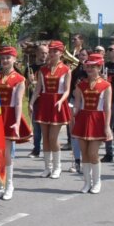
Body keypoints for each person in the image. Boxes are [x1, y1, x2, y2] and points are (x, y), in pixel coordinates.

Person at [70, 53, 112, 193]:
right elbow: (77, 104)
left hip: (98, 119)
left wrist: (107, 127)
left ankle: (97, 182)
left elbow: (107, 108)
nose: (89, 69)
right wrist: (71, 112)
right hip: (83, 118)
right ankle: (87, 183)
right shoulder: (80, 85)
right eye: (88, 66)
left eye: (93, 67)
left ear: (99, 67)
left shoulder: (106, 85)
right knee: (84, 153)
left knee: (93, 153)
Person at [31, 40, 72, 178]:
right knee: (46, 138)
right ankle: (47, 167)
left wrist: (61, 100)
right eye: (51, 51)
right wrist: (31, 103)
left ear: (61, 53)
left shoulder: (66, 69)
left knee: (53, 137)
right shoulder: (43, 69)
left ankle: (57, 167)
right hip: (44, 103)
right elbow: (38, 89)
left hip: (57, 104)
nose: (52, 54)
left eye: (55, 51)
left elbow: (67, 90)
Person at [0, 46, 31, 200]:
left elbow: (18, 103)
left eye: (8, 57)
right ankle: (0, 185)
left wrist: (16, 122)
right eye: (3, 58)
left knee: (6, 152)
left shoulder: (19, 79)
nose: (5, 60)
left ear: (15, 59)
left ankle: (9, 185)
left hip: (9, 115)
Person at [67, 48, 89, 174]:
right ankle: (76, 161)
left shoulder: (95, 72)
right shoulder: (75, 71)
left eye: (84, 55)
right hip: (75, 102)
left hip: (89, 105)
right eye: (80, 55)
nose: (81, 57)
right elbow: (71, 88)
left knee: (87, 135)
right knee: (75, 132)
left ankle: (87, 162)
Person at [28, 43, 48, 158]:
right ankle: (36, 149)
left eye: (46, 53)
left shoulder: (48, 68)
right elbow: (24, 86)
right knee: (36, 128)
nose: (44, 55)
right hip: (34, 100)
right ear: (36, 53)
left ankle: (47, 149)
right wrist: (29, 81)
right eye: (42, 53)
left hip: (45, 101)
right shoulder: (30, 68)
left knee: (46, 127)